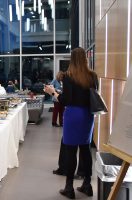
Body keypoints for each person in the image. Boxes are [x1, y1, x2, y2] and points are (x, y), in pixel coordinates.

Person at [44, 47, 98, 199]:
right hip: (88, 115)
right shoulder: (93, 76)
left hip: (73, 115)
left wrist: (53, 93)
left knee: (71, 150)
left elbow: (66, 100)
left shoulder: (69, 76)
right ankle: (87, 185)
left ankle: (69, 187)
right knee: (86, 150)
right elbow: (93, 97)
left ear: (72, 59)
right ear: (85, 59)